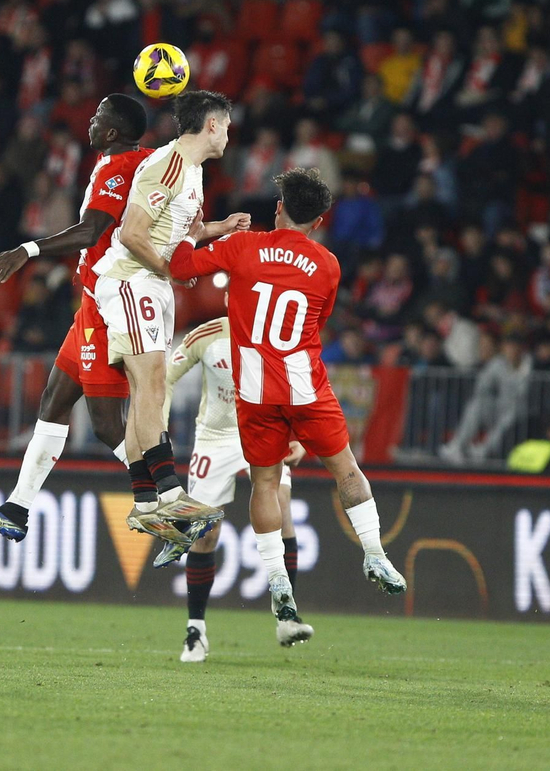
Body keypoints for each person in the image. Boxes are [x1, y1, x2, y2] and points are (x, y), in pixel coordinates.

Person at [169, 167, 407, 637]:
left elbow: (180, 267)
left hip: (255, 391)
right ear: (318, 221)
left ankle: (277, 579)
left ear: (278, 209)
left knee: (265, 483)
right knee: (347, 470)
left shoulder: (243, 245)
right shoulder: (329, 264)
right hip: (305, 386)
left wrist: (197, 232)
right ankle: (375, 554)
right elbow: (317, 321)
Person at [0, 94, 151, 541]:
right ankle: (17, 509)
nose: (90, 120)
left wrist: (27, 250)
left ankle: (166, 496)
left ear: (112, 132)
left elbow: (91, 230)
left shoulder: (117, 169)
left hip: (106, 308)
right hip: (92, 302)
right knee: (54, 401)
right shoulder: (133, 161)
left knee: (106, 425)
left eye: (98, 116)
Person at [91, 90, 247, 546]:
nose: (229, 134)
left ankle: (145, 503)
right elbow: (132, 232)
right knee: (152, 385)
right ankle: (171, 493)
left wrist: (218, 229)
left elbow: (180, 231)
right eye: (227, 125)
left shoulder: (193, 171)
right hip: (133, 280)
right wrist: (170, 270)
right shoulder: (169, 164)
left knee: (147, 390)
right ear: (212, 125)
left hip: (152, 283)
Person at [166, 315, 309, 662]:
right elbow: (165, 377)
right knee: (205, 532)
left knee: (282, 508)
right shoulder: (206, 334)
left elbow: (300, 384)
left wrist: (301, 436)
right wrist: (158, 428)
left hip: (262, 431)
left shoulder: (276, 334)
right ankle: (195, 631)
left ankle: (286, 616)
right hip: (215, 438)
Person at [438, 327, 533, 464]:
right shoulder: (498, 364)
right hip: (500, 407)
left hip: (522, 413)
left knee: (511, 413)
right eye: (508, 347)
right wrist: (489, 396)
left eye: (514, 347)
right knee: (477, 405)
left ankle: (484, 450)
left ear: (521, 348)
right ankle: (456, 446)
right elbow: (482, 387)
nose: (511, 350)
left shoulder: (530, 366)